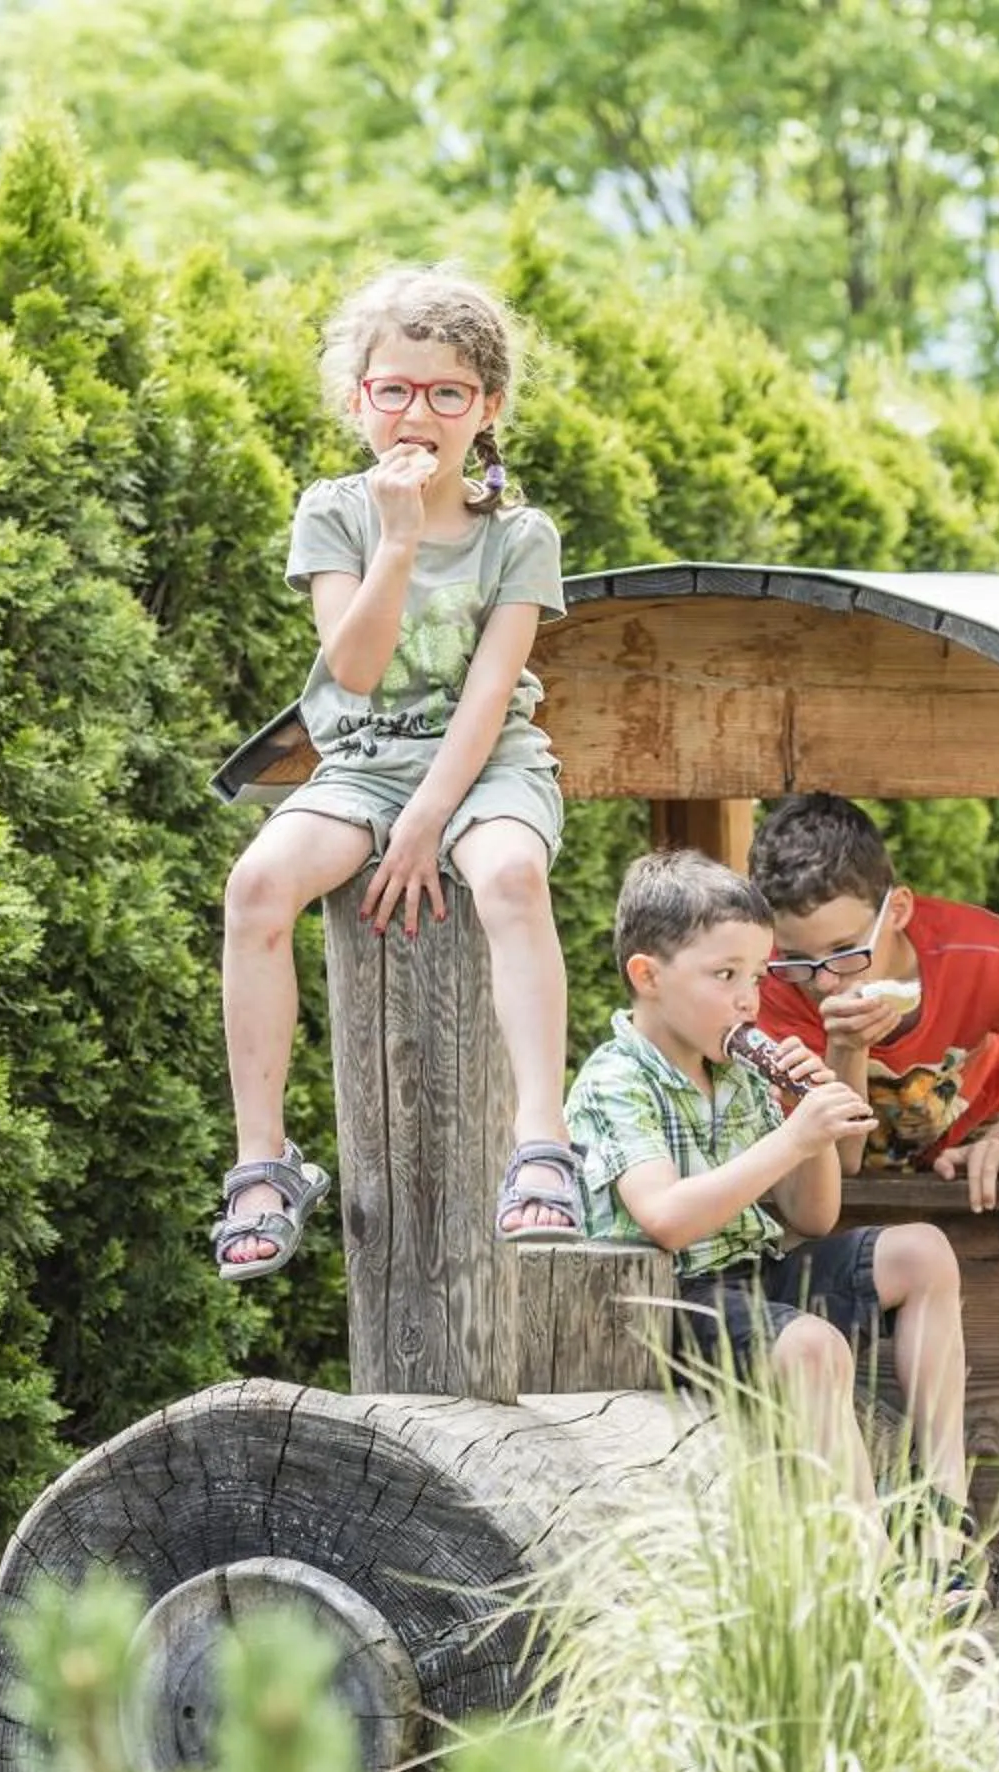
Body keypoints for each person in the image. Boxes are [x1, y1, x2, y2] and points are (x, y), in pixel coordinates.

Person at [215, 267, 582, 1281]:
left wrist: (427, 821)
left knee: (512, 876)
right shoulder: (335, 514)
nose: (418, 414)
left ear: (488, 407)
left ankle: (542, 1142)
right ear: (358, 400)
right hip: (363, 762)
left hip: (487, 765)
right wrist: (401, 537)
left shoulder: (519, 536)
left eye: (447, 393)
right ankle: (262, 1163)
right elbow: (357, 668)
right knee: (256, 885)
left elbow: (490, 696)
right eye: (396, 390)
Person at [565, 850, 975, 1536]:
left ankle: (945, 1513)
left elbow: (814, 1215)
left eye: (756, 976)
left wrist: (808, 1115)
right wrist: (791, 1139)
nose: (748, 1001)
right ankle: (866, 1563)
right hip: (667, 1300)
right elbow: (665, 1219)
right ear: (648, 976)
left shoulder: (741, 1076)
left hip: (752, 1280)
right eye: (725, 975)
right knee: (813, 1345)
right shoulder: (617, 1079)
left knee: (923, 1253)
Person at [751, 794, 999, 1212]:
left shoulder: (979, 952)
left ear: (897, 910)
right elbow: (841, 1163)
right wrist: (847, 1050)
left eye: (846, 950)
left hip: (981, 1145)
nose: (824, 981)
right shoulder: (767, 986)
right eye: (798, 959)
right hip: (846, 1191)